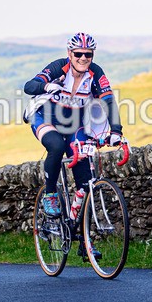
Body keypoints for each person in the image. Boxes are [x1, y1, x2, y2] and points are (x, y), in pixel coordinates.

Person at [23, 32, 123, 260]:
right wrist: (46, 86)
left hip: (75, 124)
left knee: (86, 182)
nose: (83, 58)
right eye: (78, 54)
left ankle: (84, 241)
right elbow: (30, 86)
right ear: (70, 53)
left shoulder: (95, 72)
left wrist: (116, 131)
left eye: (88, 54)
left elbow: (108, 101)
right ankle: (50, 195)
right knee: (56, 147)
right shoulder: (59, 68)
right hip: (46, 117)